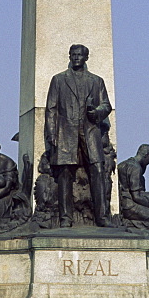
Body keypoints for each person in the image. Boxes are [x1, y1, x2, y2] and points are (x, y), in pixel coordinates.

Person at [44, 44, 113, 228]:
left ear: (86, 58)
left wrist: (96, 112)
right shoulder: (58, 80)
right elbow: (51, 109)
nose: (76, 58)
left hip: (90, 131)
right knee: (65, 173)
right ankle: (65, 218)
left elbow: (106, 105)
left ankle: (102, 216)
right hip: (66, 132)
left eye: (79, 55)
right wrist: (51, 134)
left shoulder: (96, 81)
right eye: (73, 55)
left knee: (98, 170)